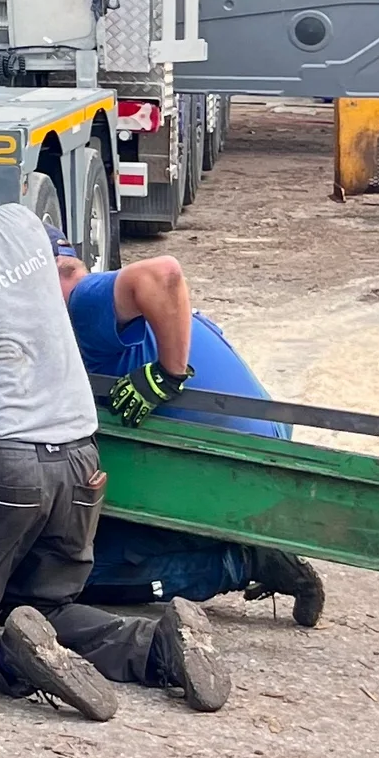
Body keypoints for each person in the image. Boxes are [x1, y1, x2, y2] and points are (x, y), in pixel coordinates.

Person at [0, 145, 229, 724]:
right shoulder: (24, 226)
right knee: (48, 606)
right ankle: (160, 648)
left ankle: (9, 657)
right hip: (81, 463)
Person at [54, 239, 327, 625]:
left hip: (236, 476)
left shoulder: (84, 302)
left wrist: (168, 374)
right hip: (245, 455)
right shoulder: (116, 309)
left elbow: (164, 273)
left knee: (58, 574)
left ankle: (242, 559)